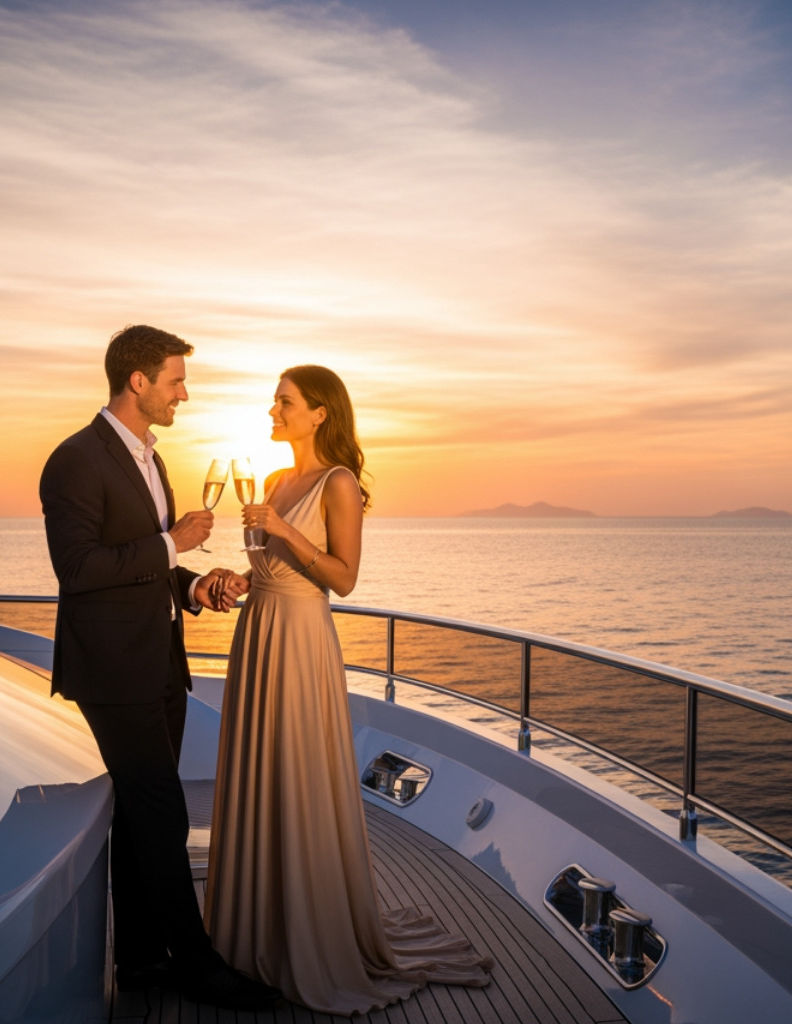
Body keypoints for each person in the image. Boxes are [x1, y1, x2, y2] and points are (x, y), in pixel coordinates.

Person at [204, 365, 493, 1014]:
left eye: (284, 402)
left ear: (319, 414)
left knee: (298, 774)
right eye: (274, 400)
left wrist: (282, 531)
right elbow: (267, 570)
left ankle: (310, 933)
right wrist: (233, 578)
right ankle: (257, 930)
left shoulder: (338, 485)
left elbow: (343, 577)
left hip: (302, 641)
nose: (272, 410)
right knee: (260, 774)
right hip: (258, 633)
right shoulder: (276, 481)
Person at [38, 325, 279, 1012]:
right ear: (137, 382)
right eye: (175, 380)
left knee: (143, 815)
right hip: (114, 671)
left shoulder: (153, 458)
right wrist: (173, 542)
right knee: (161, 811)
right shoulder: (75, 460)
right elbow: (79, 570)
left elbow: (151, 564)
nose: (184, 393)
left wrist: (194, 585)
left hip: (161, 661)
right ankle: (198, 964)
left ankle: (141, 961)